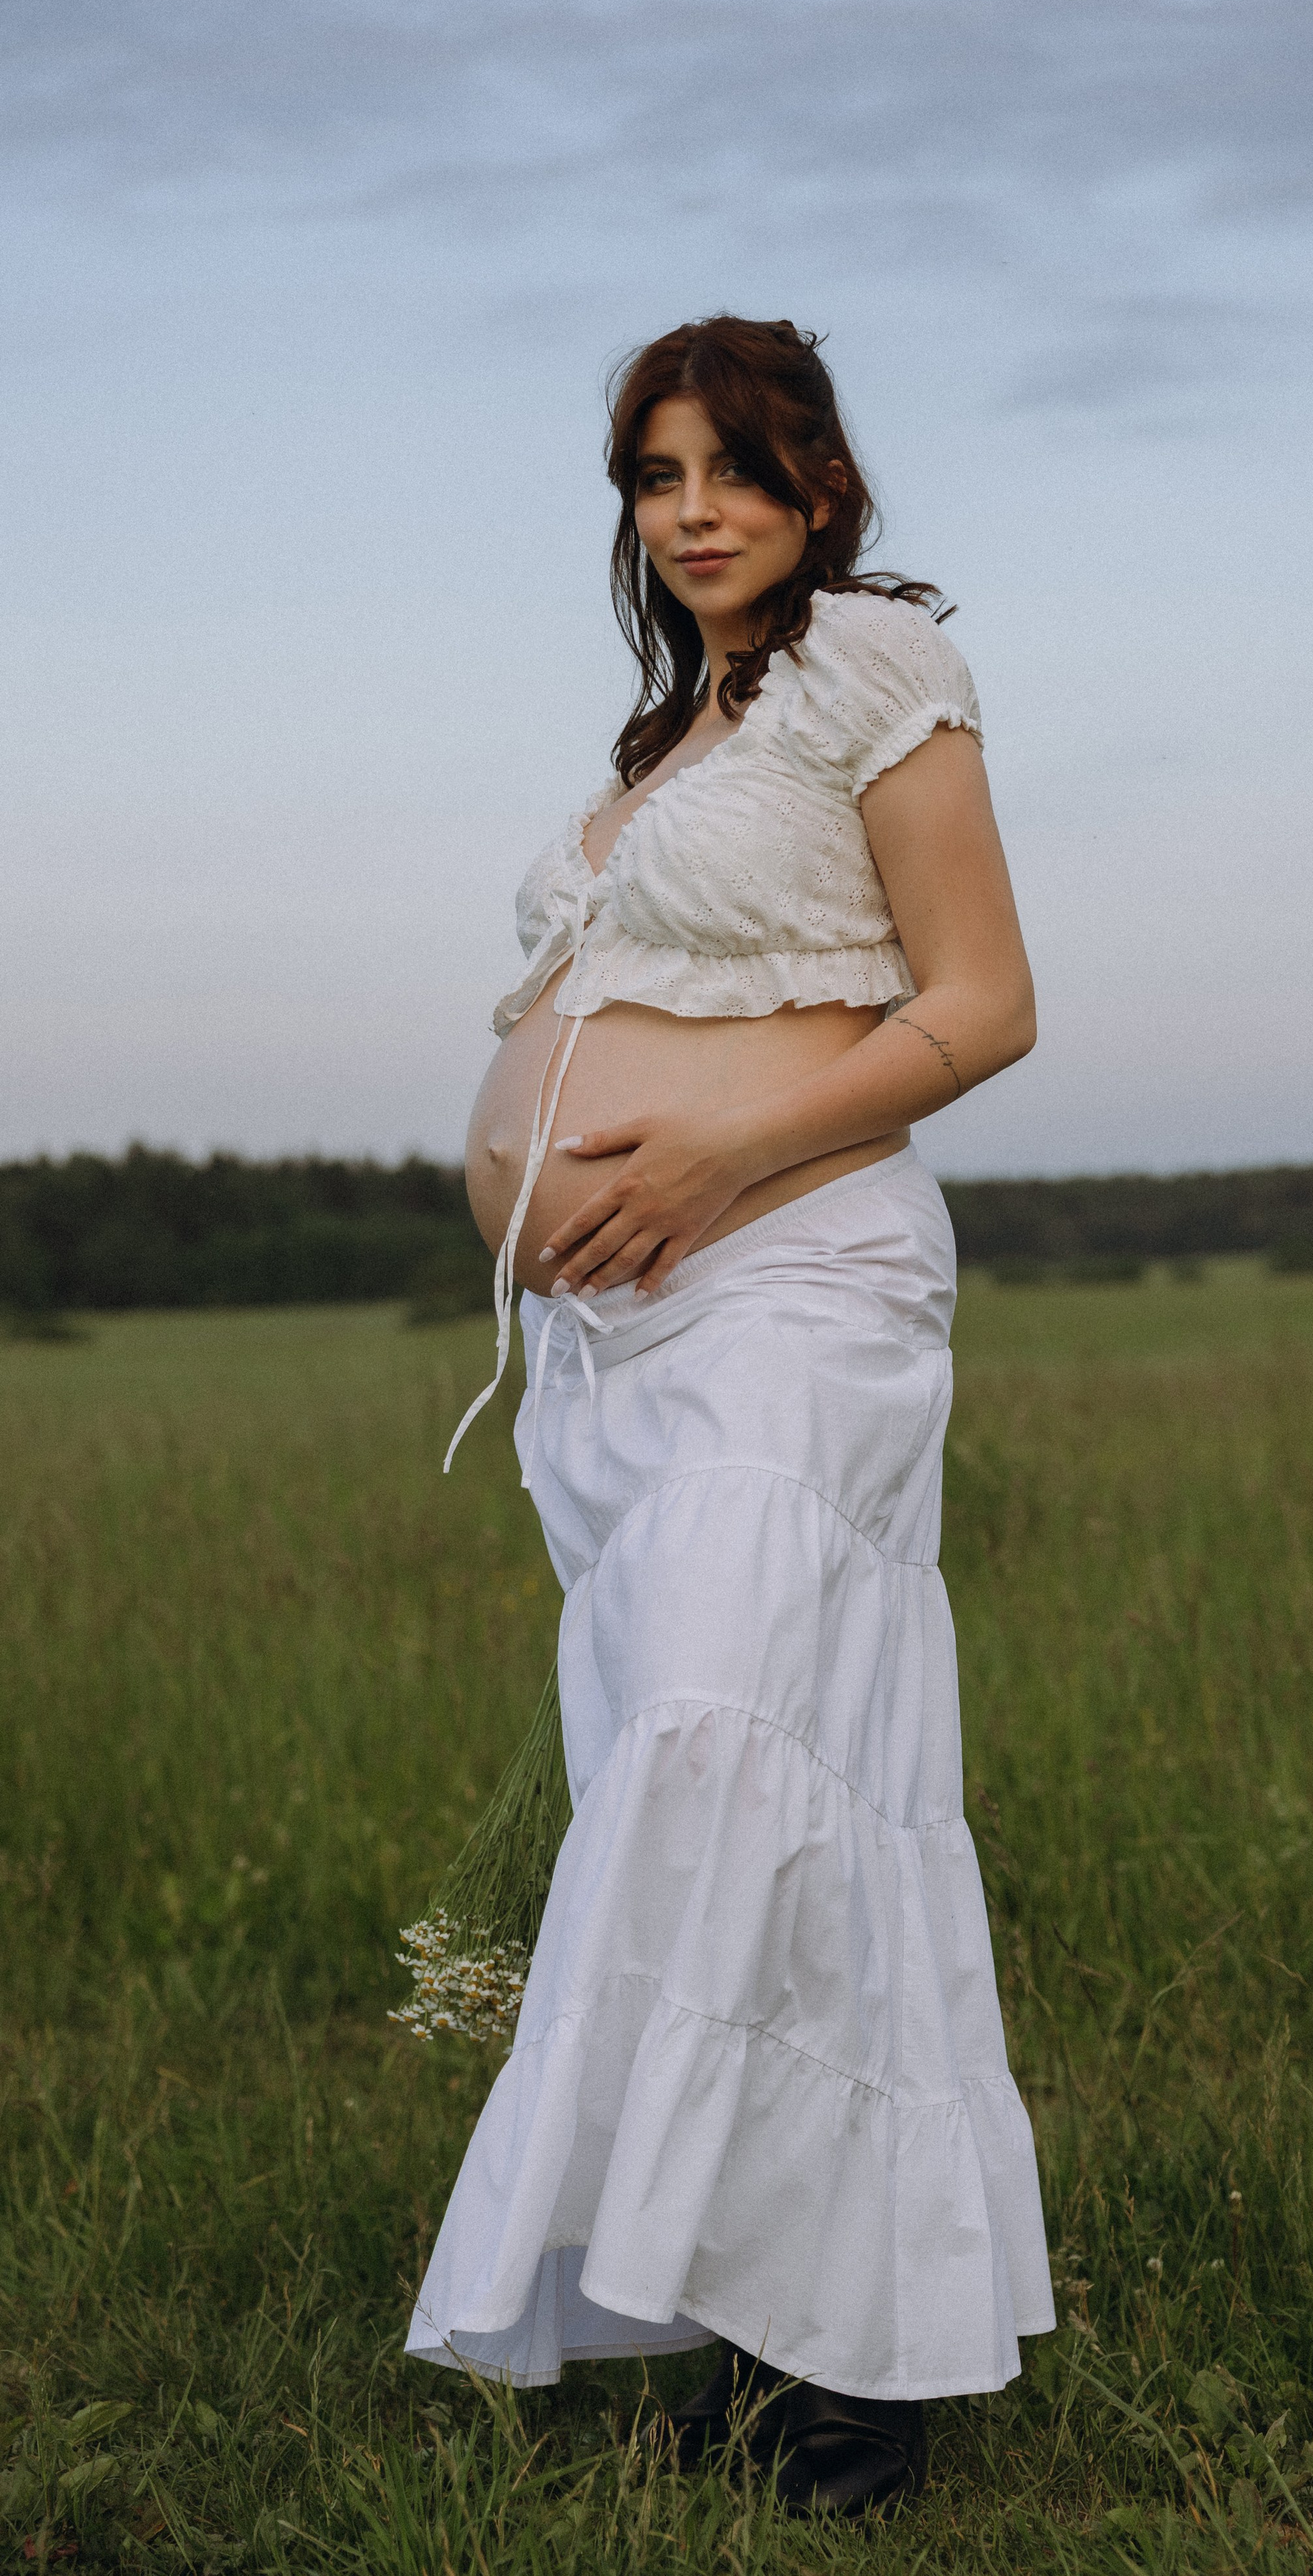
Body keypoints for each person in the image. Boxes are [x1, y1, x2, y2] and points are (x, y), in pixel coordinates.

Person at [406, 315, 1055, 2516]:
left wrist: (706, 1161)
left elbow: (983, 1005)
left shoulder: (873, 667)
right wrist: (524, 1179)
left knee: (730, 1758)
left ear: (819, 488)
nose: (693, 510)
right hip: (612, 1357)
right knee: (721, 1803)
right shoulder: (667, 739)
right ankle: (775, 2336)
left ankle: (862, 2368)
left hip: (796, 1275)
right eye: (657, 475)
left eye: (736, 470)